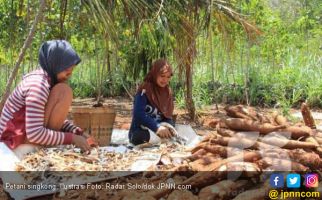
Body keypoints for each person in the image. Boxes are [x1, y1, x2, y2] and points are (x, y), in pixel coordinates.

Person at [0, 40, 90, 158]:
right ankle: (43, 149)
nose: (69, 76)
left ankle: (45, 146)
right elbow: (34, 134)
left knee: (62, 91)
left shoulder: (44, 79)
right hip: (12, 147)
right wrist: (72, 138)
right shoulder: (38, 85)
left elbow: (41, 115)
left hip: (19, 140)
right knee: (63, 92)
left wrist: (78, 132)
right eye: (67, 72)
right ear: (55, 64)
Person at [129, 59, 175, 145]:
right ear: (154, 74)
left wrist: (167, 127)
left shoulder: (167, 92)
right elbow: (138, 114)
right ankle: (160, 140)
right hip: (143, 130)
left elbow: (168, 116)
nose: (165, 80)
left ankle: (160, 139)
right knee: (138, 137)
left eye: (168, 77)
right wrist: (157, 127)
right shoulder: (145, 89)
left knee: (174, 131)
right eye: (162, 76)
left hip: (160, 130)